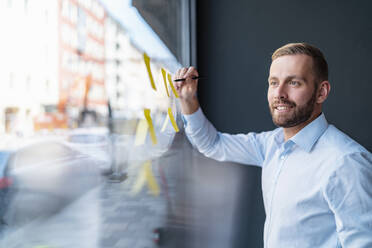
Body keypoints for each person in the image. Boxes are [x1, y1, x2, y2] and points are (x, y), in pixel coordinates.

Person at [174, 43, 372, 248]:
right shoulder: (271, 145)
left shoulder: (346, 162)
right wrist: (188, 100)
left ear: (321, 92)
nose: (280, 93)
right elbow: (212, 144)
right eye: (274, 82)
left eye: (294, 83)